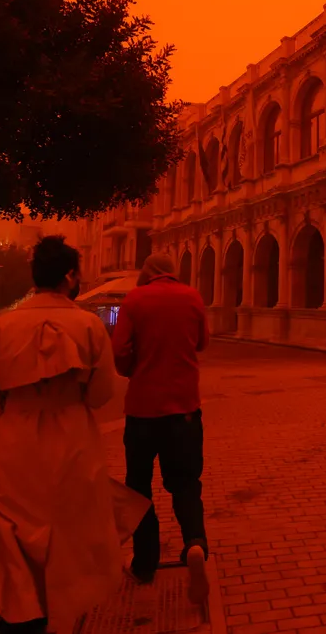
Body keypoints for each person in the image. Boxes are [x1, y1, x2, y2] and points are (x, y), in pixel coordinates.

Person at [0, 236, 123, 634]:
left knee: (13, 547)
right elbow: (102, 395)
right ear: (70, 276)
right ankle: (61, 618)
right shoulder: (90, 325)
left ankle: (20, 618)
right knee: (67, 543)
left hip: (13, 446)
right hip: (72, 443)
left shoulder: (2, 325)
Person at [111, 253, 211, 603]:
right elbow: (202, 342)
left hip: (142, 410)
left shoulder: (134, 299)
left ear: (146, 273)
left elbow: (120, 350)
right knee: (185, 482)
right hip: (184, 408)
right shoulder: (192, 296)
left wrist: (132, 368)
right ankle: (195, 542)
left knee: (138, 486)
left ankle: (145, 562)